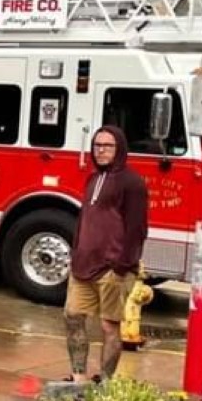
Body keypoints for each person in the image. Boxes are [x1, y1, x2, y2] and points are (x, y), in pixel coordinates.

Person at [65, 125, 149, 384]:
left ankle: (106, 382)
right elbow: (85, 219)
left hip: (113, 270)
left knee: (109, 327)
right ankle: (78, 377)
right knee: (72, 316)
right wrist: (76, 251)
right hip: (83, 267)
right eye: (97, 145)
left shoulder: (132, 183)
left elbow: (137, 228)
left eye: (107, 146)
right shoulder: (92, 179)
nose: (100, 151)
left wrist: (123, 266)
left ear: (120, 149)